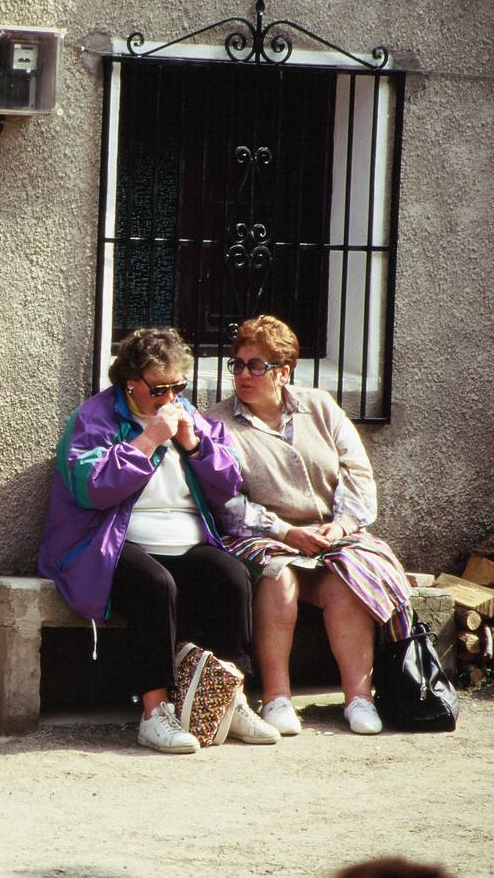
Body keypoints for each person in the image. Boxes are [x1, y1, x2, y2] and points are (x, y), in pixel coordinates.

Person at [38, 327, 279, 753]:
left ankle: (231, 699)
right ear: (131, 381)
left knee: (231, 575)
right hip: (109, 544)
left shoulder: (188, 414)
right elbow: (92, 488)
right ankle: (155, 712)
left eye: (177, 387)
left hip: (184, 538)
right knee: (154, 585)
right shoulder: (95, 419)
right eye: (159, 389)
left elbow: (227, 485)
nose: (169, 398)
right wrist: (148, 440)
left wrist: (193, 444)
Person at [206, 315, 413, 735]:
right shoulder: (218, 424)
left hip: (329, 533)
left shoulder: (319, 406)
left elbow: (358, 473)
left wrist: (339, 528)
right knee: (278, 576)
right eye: (238, 364)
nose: (244, 375)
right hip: (262, 534)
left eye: (256, 365)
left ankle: (359, 698)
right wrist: (285, 532)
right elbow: (225, 502)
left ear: (283, 372)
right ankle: (277, 698)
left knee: (348, 581)